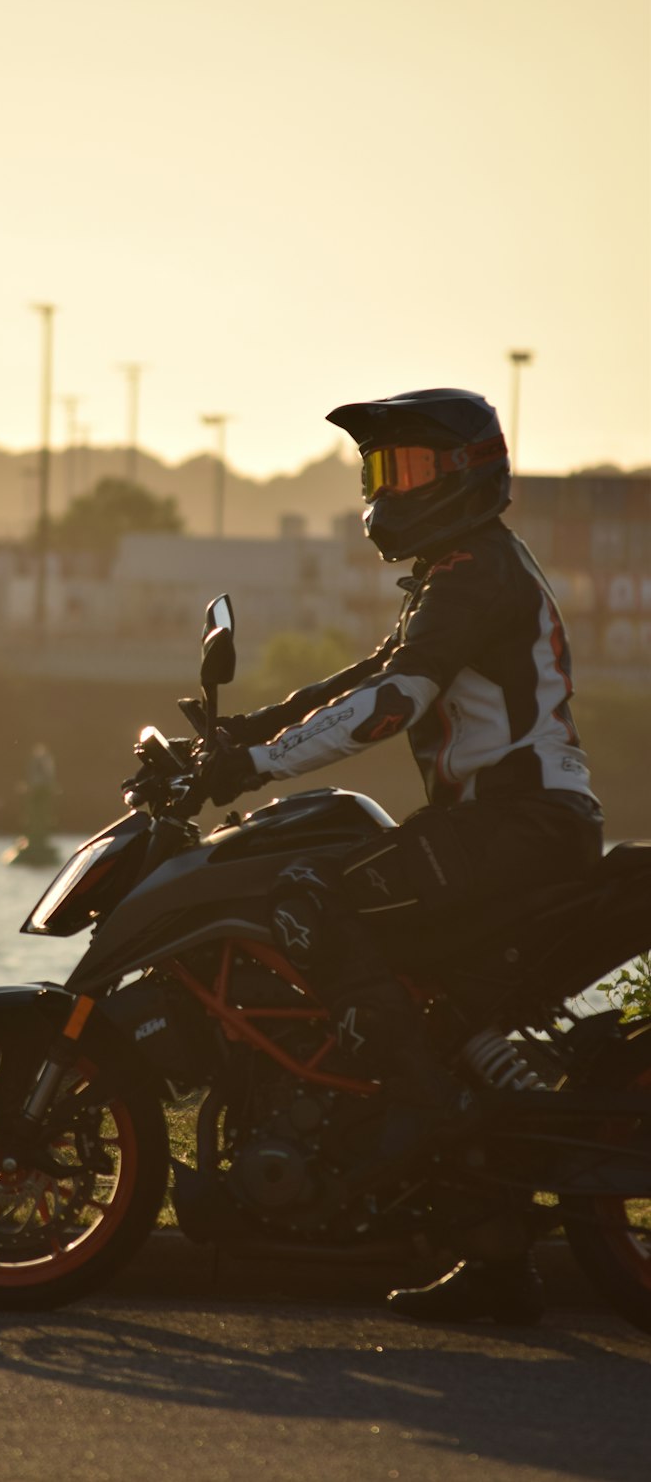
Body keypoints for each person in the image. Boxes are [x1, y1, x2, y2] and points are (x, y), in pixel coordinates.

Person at [201, 388, 604, 1324]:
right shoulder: (463, 568)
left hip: (516, 826)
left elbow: (394, 701)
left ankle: (414, 1115)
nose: (391, 488)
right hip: (513, 826)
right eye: (381, 471)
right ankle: (498, 1259)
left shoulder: (474, 572)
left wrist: (255, 765)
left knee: (308, 894)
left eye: (411, 468)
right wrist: (248, 729)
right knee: (442, 1007)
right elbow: (367, 674)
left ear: (468, 471)